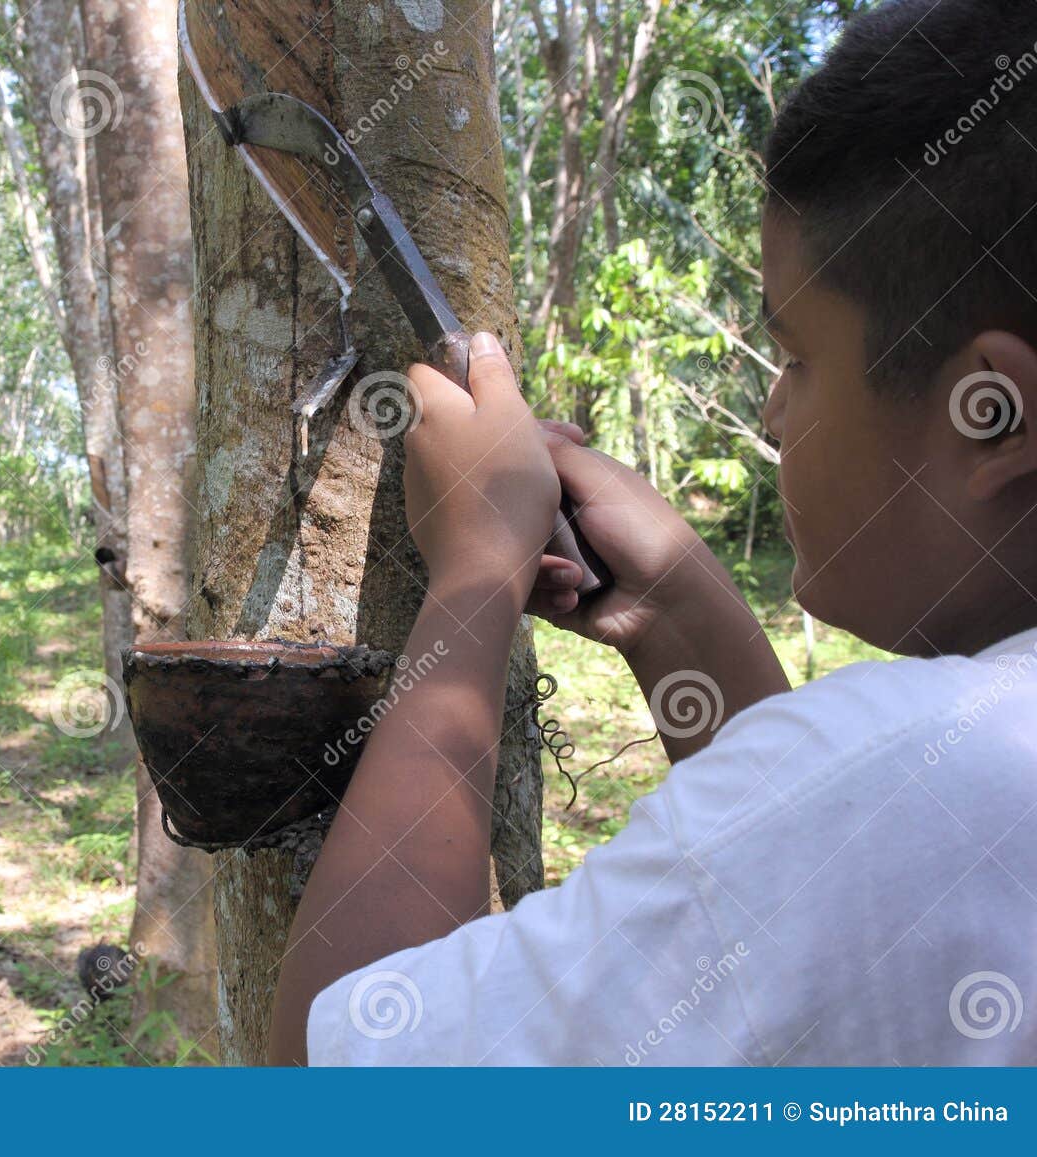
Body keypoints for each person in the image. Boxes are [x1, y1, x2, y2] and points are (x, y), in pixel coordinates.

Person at [269, 0, 1037, 1066]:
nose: (772, 412)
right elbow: (804, 916)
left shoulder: (948, 785)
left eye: (798, 356)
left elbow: (323, 1086)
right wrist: (672, 606)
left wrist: (475, 578)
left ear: (993, 414)